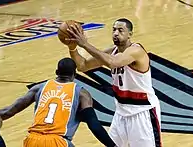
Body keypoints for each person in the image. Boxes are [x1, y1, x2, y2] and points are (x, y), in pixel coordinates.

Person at [65, 18, 162, 147]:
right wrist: (72, 49)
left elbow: (113, 63)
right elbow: (83, 66)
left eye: (121, 30)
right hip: (121, 113)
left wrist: (85, 44)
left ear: (130, 34)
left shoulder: (136, 51)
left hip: (142, 112)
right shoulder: (113, 51)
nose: (116, 33)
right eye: (114, 29)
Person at [0, 58, 117, 147]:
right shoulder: (82, 94)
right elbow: (94, 125)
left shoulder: (39, 88)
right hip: (58, 142)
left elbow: (8, 111)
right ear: (74, 75)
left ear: (56, 72)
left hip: (32, 140)